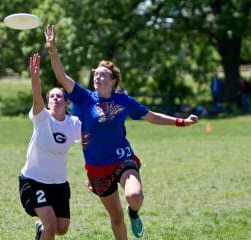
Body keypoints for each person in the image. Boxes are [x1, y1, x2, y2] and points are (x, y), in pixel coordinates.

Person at [45, 25, 198, 239]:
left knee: (134, 196)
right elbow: (61, 76)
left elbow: (152, 116)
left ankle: (134, 212)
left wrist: (182, 122)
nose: (97, 78)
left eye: (103, 75)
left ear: (113, 81)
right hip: (97, 167)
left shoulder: (124, 101)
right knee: (116, 218)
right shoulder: (84, 97)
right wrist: (52, 49)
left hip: (122, 159)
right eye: (96, 75)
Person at [18, 53, 82, 240]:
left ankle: (41, 229)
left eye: (59, 96)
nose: (55, 99)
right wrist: (35, 77)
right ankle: (45, 226)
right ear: (48, 101)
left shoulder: (74, 123)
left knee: (61, 228)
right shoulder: (42, 118)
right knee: (51, 224)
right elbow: (36, 98)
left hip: (59, 183)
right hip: (34, 180)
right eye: (52, 96)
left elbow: (89, 141)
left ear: (66, 101)